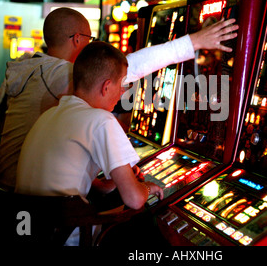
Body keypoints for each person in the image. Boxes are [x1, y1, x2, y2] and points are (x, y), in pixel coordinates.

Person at [0, 7, 238, 192]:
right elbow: (127, 67)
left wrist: (99, 182)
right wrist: (194, 42)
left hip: (12, 193)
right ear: (77, 39)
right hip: (41, 210)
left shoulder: (33, 70)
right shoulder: (60, 74)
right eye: (90, 40)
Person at [14, 42, 161, 245]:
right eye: (122, 84)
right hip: (66, 236)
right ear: (106, 86)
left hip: (29, 232)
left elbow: (80, 184)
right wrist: (146, 188)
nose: (121, 93)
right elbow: (134, 199)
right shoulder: (101, 120)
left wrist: (114, 182)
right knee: (147, 225)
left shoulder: (49, 114)